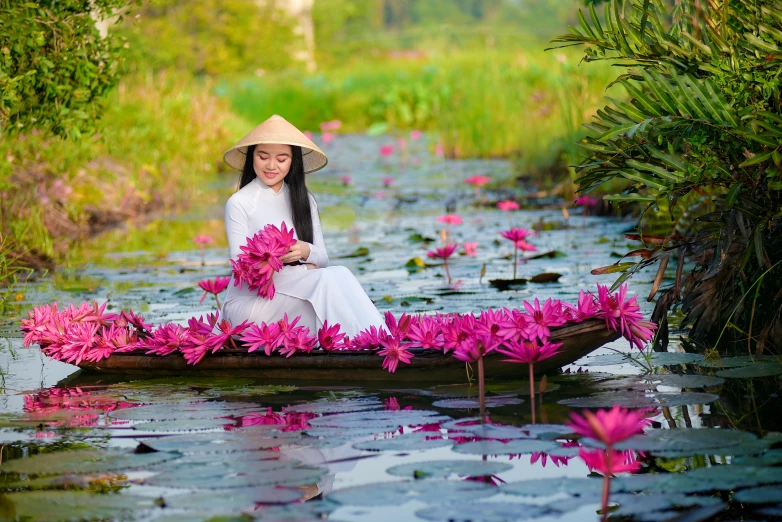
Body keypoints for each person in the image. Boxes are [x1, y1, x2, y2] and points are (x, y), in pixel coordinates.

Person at [221, 114, 385, 339]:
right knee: (326, 287)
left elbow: (323, 259)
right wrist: (302, 268)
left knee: (340, 274)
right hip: (250, 306)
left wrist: (306, 251)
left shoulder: (304, 200)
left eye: (281, 159)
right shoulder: (239, 203)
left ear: (292, 161)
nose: (271, 166)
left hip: (291, 293)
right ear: (252, 158)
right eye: (263, 156)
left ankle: (377, 340)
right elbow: (240, 268)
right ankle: (372, 342)